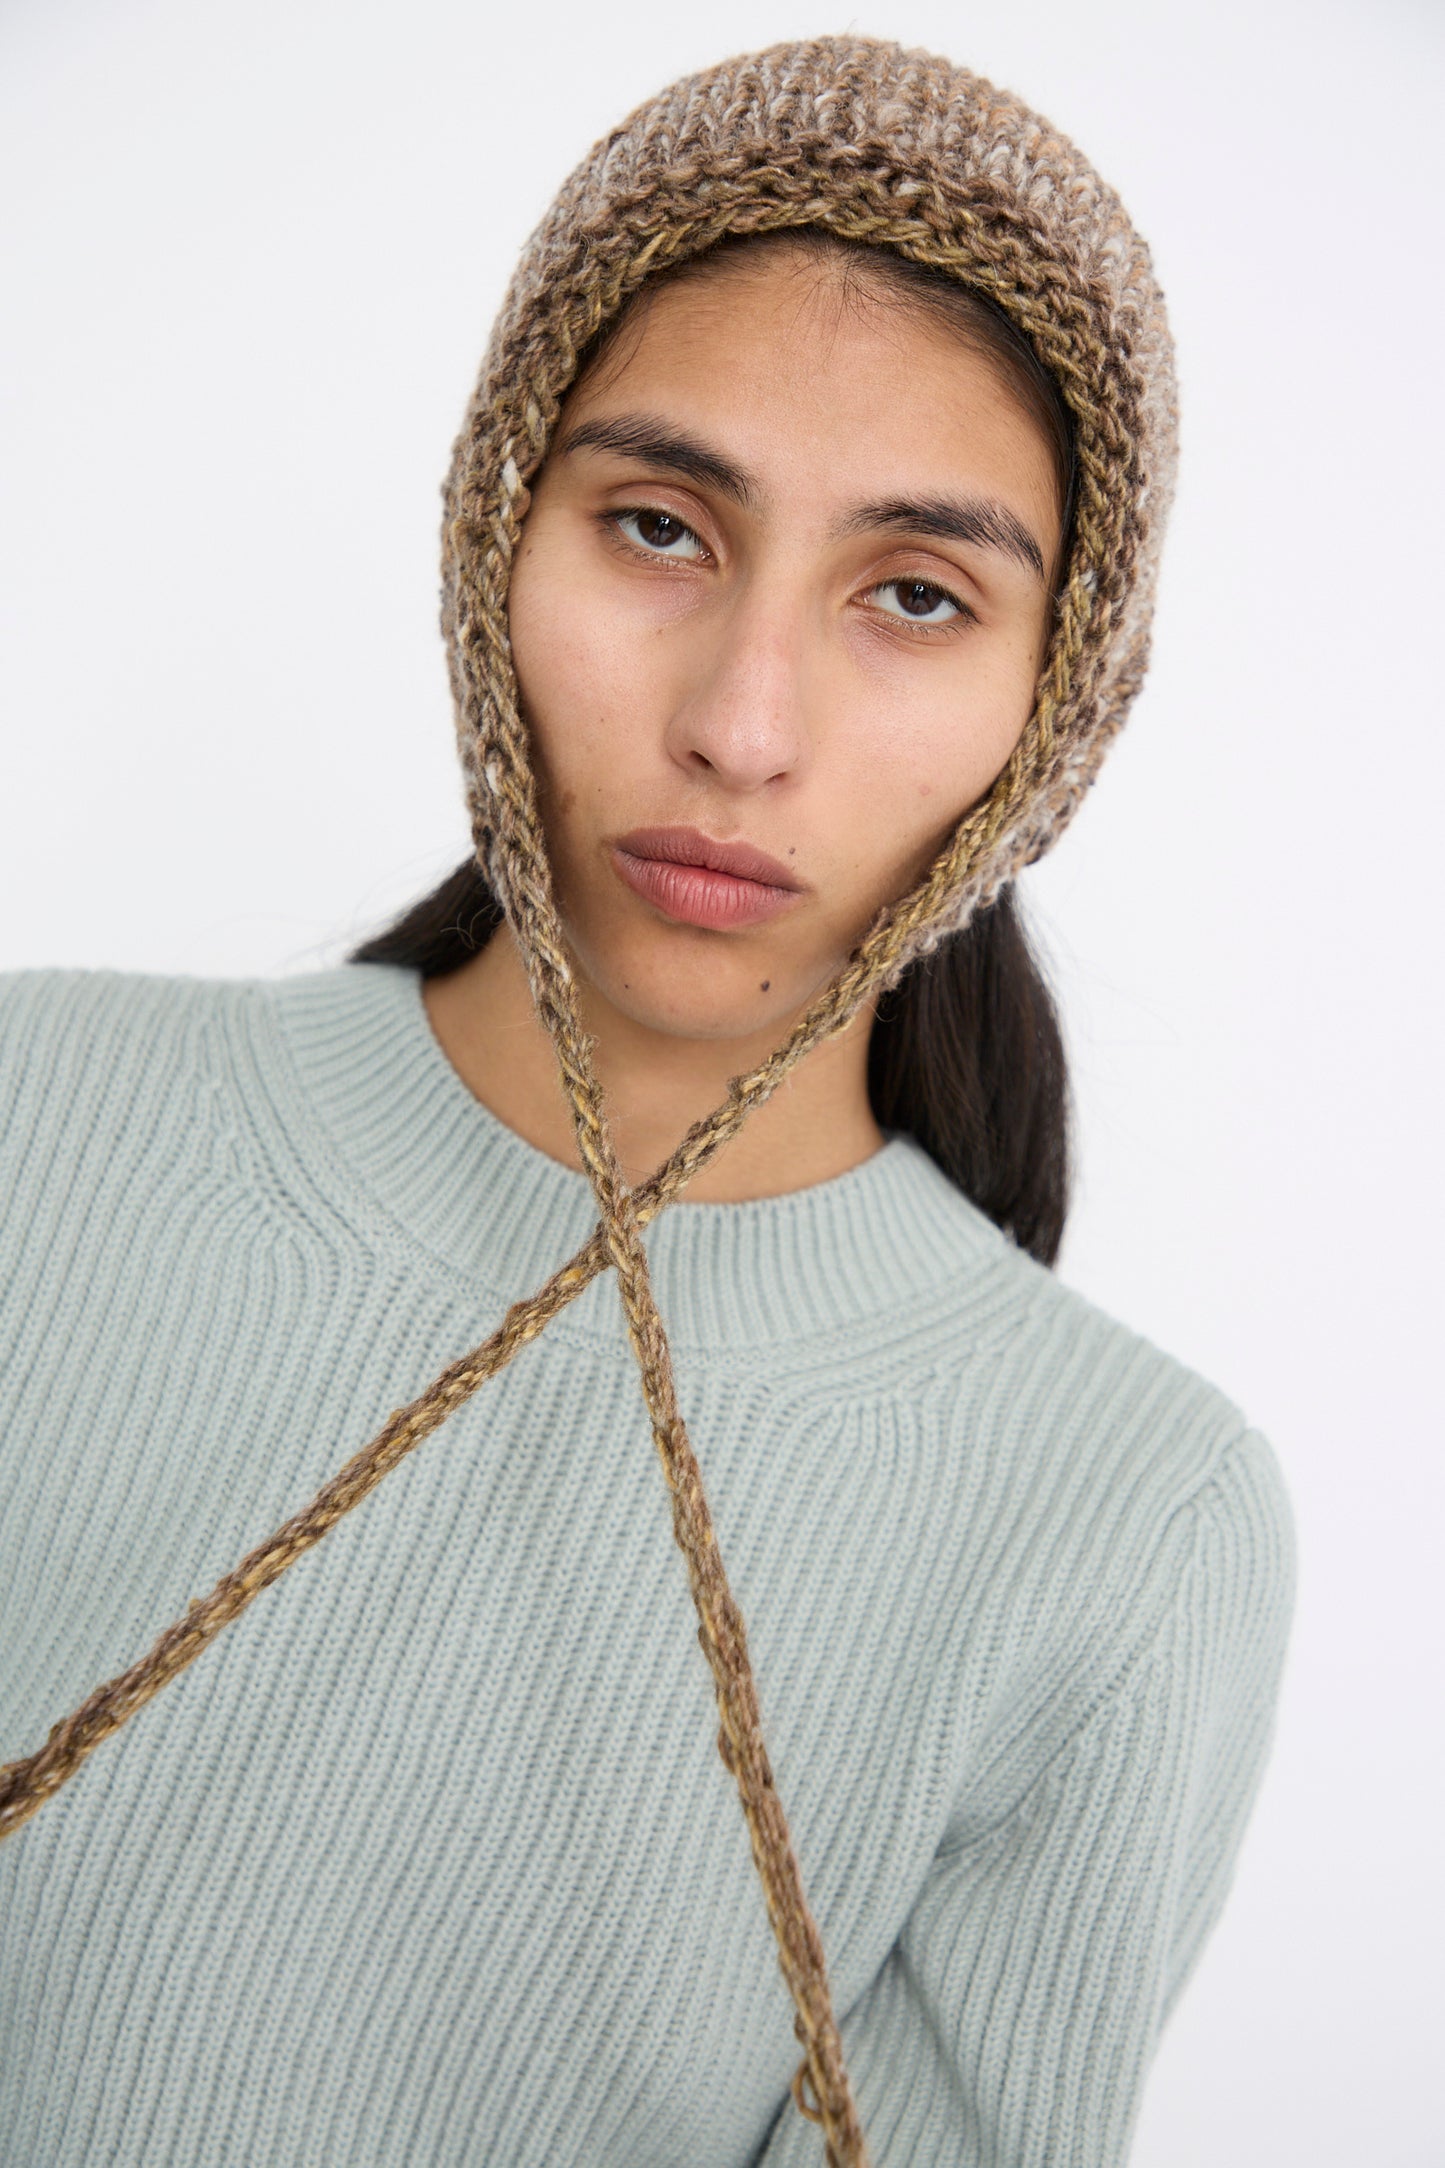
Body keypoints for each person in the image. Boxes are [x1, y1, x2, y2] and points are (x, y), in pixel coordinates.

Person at [0, 35, 1295, 2168]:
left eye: (913, 595)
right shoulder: (38, 1119)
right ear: (496, 530)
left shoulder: (1122, 1527)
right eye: (661, 527)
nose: (743, 723)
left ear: (1051, 716)